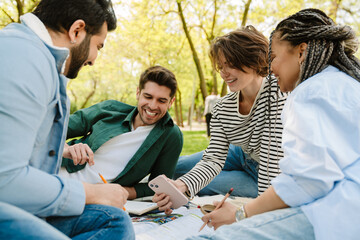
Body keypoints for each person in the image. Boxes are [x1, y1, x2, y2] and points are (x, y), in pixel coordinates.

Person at [188, 8, 360, 240]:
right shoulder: (342, 83)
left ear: (301, 52)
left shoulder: (308, 92)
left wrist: (242, 214)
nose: (271, 68)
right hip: (250, 160)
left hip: (337, 215)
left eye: (274, 58)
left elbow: (307, 181)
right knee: (185, 169)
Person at [0, 0, 134, 239]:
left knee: (113, 221)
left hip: (20, 208)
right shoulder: (24, 59)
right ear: (77, 31)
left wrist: (62, 149)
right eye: (98, 46)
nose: (94, 59)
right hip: (8, 207)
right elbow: (5, 181)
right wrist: (91, 193)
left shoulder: (36, 57)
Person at [155, 25, 288, 211]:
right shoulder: (222, 108)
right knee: (177, 169)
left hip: (264, 170)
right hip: (241, 153)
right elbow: (214, 159)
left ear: (252, 60)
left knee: (205, 185)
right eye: (221, 66)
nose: (224, 73)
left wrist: (258, 213)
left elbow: (270, 164)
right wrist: (182, 186)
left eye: (230, 64)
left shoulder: (277, 93)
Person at [59, 66, 183, 199]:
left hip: (94, 198)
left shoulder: (171, 135)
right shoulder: (110, 109)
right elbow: (55, 128)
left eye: (161, 100)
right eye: (148, 97)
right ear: (138, 93)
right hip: (57, 174)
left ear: (171, 102)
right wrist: (66, 149)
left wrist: (120, 192)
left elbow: (157, 186)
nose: (152, 106)